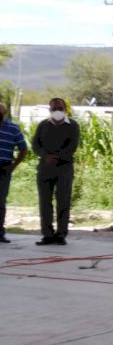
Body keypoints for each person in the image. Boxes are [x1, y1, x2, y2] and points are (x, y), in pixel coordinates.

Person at [32, 98, 80, 245]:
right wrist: (45, 156)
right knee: (45, 202)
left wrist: (57, 157)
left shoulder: (73, 125)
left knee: (63, 201)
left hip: (64, 168)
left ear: (65, 109)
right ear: (50, 110)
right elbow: (35, 144)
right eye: (54, 109)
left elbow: (72, 146)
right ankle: (47, 234)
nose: (57, 111)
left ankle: (61, 234)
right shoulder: (43, 125)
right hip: (45, 168)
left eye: (60, 108)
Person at [0, 102, 28, 243]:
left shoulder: (13, 128)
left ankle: (0, 233)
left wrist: (14, 165)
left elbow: (23, 148)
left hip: (3, 169)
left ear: (4, 114)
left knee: (0, 202)